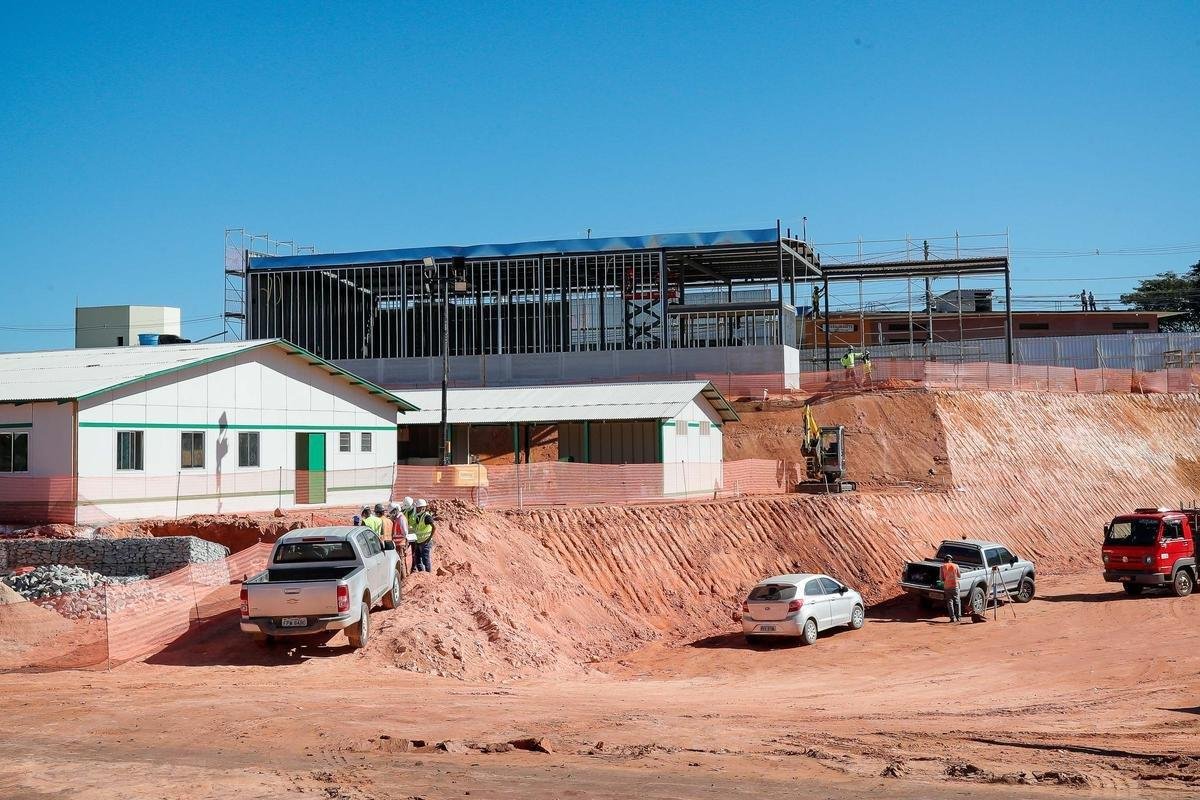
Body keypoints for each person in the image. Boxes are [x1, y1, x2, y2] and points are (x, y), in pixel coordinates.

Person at [410, 498, 435, 573]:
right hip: (419, 541)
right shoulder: (418, 517)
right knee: (417, 559)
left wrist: (429, 538)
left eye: (418, 508)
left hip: (425, 542)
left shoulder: (427, 517)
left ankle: (428, 575)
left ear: (423, 508)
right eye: (417, 508)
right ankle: (422, 574)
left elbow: (434, 527)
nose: (417, 510)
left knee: (425, 560)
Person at [940, 554, 961, 622]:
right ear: (951, 560)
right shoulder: (956, 565)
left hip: (947, 586)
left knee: (950, 602)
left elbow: (941, 578)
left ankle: (952, 618)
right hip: (955, 586)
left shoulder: (942, 567)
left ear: (945, 560)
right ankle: (958, 617)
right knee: (957, 601)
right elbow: (959, 576)